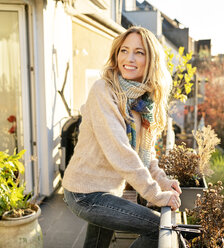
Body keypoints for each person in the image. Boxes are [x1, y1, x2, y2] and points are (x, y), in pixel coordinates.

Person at [62, 26, 182, 248]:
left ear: (151, 59)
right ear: (116, 55)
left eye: (139, 52)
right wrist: (156, 194)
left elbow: (146, 155)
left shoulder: (142, 102)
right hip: (84, 192)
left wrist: (163, 181)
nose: (129, 58)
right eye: (124, 50)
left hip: (107, 191)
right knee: (159, 230)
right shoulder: (104, 91)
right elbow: (120, 151)